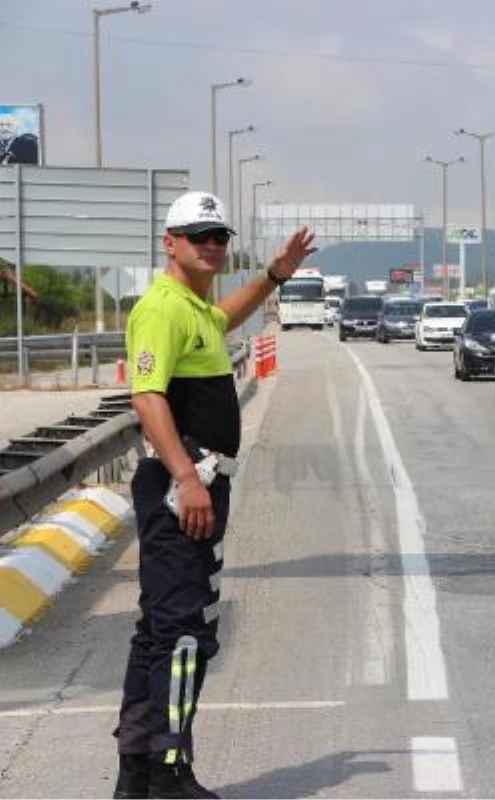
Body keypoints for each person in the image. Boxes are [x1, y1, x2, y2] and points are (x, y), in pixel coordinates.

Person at [113, 191, 316, 800]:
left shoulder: (195, 309)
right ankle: (170, 773)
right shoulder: (162, 308)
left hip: (196, 483)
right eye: (198, 233)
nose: (211, 243)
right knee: (183, 634)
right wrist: (186, 477)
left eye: (219, 235)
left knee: (158, 629)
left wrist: (275, 275)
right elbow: (147, 397)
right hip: (184, 490)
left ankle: (137, 775)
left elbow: (227, 314)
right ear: (169, 241)